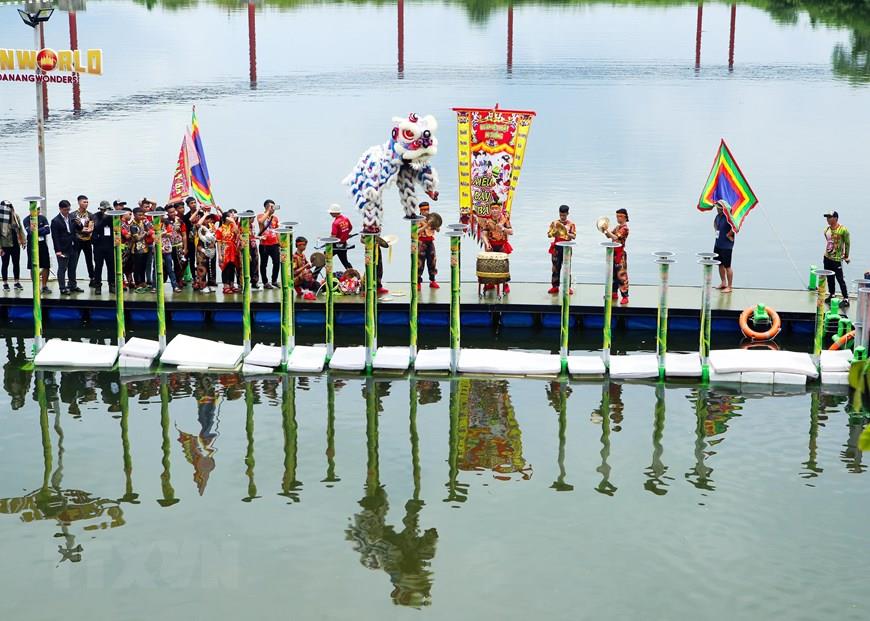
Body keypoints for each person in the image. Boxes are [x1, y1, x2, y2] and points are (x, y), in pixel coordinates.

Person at [480, 201, 513, 294]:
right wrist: (486, 243)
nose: (494, 211)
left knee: (503, 265)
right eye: (493, 209)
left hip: (502, 244)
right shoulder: (487, 221)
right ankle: (491, 283)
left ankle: (505, 284)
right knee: (490, 265)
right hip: (491, 245)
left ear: (500, 210)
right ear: (490, 210)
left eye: (496, 209)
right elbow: (483, 234)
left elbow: (511, 232)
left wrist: (503, 228)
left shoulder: (505, 219)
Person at [51, 200, 81, 295]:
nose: (67, 211)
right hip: (63, 248)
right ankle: (62, 288)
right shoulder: (55, 221)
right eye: (65, 210)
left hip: (73, 246)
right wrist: (58, 250)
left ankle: (72, 285)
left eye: (68, 209)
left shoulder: (72, 217)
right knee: (62, 268)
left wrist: (79, 224)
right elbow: (55, 237)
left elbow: (79, 229)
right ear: (60, 209)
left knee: (73, 267)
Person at [547, 204, 576, 294]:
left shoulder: (571, 224)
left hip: (566, 248)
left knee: (567, 268)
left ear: (567, 214)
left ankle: (568, 287)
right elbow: (549, 234)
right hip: (556, 247)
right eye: (561, 215)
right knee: (555, 268)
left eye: (564, 215)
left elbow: (574, 236)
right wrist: (555, 232)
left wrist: (566, 232)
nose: (562, 217)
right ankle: (555, 286)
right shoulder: (554, 223)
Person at [823, 210, 850, 306]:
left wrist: (846, 256)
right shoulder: (826, 230)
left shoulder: (843, 230)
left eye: (829, 217)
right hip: (827, 257)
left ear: (835, 218)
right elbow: (829, 242)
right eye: (827, 217)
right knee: (829, 277)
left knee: (840, 279)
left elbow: (847, 243)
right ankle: (832, 294)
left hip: (837, 259)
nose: (827, 219)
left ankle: (846, 298)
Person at [23, 204, 51, 294]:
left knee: (46, 265)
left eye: (38, 209)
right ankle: (36, 287)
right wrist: (41, 229)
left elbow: (48, 230)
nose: (37, 211)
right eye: (35, 209)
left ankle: (44, 286)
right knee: (33, 266)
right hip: (32, 245)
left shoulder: (43, 218)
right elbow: (30, 233)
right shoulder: (26, 220)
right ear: (30, 210)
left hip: (42, 244)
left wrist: (36, 230)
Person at [605, 208, 630, 304]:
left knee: (621, 275)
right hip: (613, 253)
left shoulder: (625, 228)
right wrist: (605, 230)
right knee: (613, 274)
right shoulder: (617, 227)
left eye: (620, 216)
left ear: (625, 217)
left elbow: (616, 237)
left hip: (620, 253)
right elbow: (609, 236)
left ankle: (625, 296)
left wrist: (609, 232)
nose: (618, 218)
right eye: (617, 216)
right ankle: (614, 292)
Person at [0, 200, 26, 291]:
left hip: (15, 243)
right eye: (7, 206)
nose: (9, 208)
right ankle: (5, 283)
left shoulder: (16, 216)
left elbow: (20, 229)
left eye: (10, 206)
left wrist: (23, 241)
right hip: (4, 245)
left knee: (16, 263)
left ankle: (16, 282)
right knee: (5, 264)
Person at [91, 200, 116, 294]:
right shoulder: (95, 216)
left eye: (107, 209)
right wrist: (105, 218)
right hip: (98, 246)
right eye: (104, 209)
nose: (105, 211)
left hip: (109, 245)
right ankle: (98, 286)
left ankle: (112, 285)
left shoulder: (112, 217)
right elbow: (97, 227)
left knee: (111, 267)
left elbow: (117, 227)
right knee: (98, 267)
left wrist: (111, 216)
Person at [215, 211, 241, 294]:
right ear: (226, 218)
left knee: (232, 267)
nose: (232, 217)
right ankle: (226, 286)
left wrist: (233, 221)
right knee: (225, 268)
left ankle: (232, 285)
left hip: (233, 249)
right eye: (230, 216)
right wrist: (219, 255)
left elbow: (237, 233)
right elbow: (218, 243)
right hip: (224, 250)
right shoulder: (220, 229)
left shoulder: (233, 226)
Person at [73, 194, 96, 288]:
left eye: (87, 202)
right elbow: (73, 228)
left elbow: (91, 227)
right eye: (84, 202)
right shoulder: (73, 215)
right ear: (79, 202)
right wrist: (81, 230)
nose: (86, 204)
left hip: (87, 240)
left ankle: (92, 279)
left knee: (89, 261)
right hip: (77, 241)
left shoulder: (90, 215)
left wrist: (87, 230)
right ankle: (72, 281)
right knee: (74, 261)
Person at [713, 199, 735, 293]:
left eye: (719, 208)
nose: (717, 210)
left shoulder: (729, 217)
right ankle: (723, 282)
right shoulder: (718, 216)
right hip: (718, 244)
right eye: (717, 208)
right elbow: (715, 224)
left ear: (723, 209)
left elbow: (735, 227)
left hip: (726, 246)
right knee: (719, 264)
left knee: (727, 266)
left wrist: (729, 234)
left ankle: (729, 286)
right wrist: (716, 230)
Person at [257, 200, 280, 289]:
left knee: (277, 263)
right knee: (264, 264)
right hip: (264, 244)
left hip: (274, 244)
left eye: (273, 207)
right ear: (267, 207)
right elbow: (261, 222)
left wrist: (279, 242)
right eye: (271, 207)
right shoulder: (260, 216)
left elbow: (277, 230)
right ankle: (265, 282)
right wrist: (268, 212)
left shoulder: (275, 218)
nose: (273, 209)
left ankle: (274, 280)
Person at [130, 206, 154, 292]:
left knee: (143, 266)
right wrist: (145, 233)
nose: (141, 217)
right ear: (134, 215)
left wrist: (148, 231)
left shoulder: (143, 222)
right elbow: (137, 238)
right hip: (136, 249)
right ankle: (137, 283)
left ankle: (143, 282)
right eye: (139, 215)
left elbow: (151, 229)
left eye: (142, 215)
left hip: (145, 248)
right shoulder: (132, 225)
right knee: (137, 267)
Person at [417, 201, 439, 289]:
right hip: (421, 242)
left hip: (430, 241)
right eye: (424, 210)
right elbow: (417, 232)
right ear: (421, 210)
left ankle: (432, 280)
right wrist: (426, 226)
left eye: (427, 209)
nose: (426, 211)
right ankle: (418, 282)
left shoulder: (432, 218)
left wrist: (436, 226)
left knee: (432, 261)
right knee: (419, 263)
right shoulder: (417, 219)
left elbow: (438, 230)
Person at [292, 236, 318, 300]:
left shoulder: (303, 255)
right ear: (298, 245)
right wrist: (306, 266)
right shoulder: (294, 257)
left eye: (305, 245)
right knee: (307, 273)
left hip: (302, 277)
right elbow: (294, 272)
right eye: (303, 245)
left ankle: (311, 290)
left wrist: (315, 263)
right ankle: (305, 290)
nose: (305, 246)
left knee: (316, 284)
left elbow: (308, 266)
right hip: (295, 279)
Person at [329, 204, 354, 270]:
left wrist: (328, 240)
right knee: (345, 261)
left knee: (324, 258)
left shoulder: (335, 223)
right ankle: (354, 275)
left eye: (331, 212)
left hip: (336, 245)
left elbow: (333, 237)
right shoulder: (346, 219)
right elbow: (350, 228)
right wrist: (345, 235)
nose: (330, 213)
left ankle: (314, 276)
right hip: (343, 244)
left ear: (335, 212)